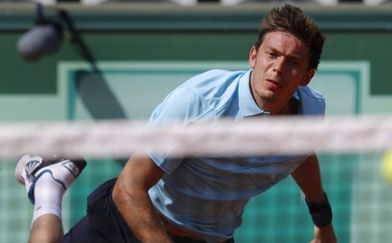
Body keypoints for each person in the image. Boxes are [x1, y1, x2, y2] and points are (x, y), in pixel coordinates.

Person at [16, 4, 337, 243]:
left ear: (307, 76)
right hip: (131, 221)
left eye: (292, 62)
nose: (278, 68)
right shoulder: (200, 102)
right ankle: (48, 185)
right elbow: (129, 189)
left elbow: (301, 156)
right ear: (254, 56)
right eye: (272, 55)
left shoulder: (310, 111)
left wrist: (322, 223)